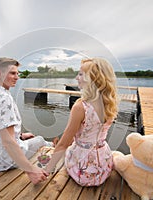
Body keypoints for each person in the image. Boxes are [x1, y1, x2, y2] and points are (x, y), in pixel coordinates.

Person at [0, 57, 53, 184]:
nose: (17, 77)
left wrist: (21, 136)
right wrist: (30, 170)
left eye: (17, 73)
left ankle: (39, 142)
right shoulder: (4, 99)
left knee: (28, 137)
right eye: (12, 73)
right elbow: (8, 141)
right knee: (40, 139)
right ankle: (57, 147)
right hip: (7, 161)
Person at [45, 58, 118, 186]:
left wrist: (47, 169)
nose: (76, 77)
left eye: (80, 74)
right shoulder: (110, 103)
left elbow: (63, 144)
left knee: (65, 148)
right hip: (104, 167)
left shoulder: (81, 107)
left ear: (93, 79)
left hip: (83, 172)